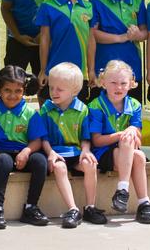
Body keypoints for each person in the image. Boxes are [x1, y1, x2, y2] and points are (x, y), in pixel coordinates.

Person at [0, 65, 49, 229]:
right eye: (7, 90)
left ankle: (31, 207)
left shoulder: (30, 113)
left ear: (24, 90)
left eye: (18, 91)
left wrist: (26, 151)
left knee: (40, 161)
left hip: (23, 153)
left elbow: (37, 141)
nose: (13, 95)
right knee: (4, 160)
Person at [87, 60, 150, 224]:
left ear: (131, 84)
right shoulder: (96, 106)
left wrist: (133, 131)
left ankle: (142, 202)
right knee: (127, 139)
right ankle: (126, 190)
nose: (119, 87)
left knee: (138, 155)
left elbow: (137, 139)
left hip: (128, 153)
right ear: (103, 83)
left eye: (123, 83)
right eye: (113, 83)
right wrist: (122, 134)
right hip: (103, 153)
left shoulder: (135, 105)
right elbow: (96, 141)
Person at [40, 62, 107, 228]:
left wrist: (86, 151)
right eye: (51, 87)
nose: (54, 92)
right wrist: (50, 153)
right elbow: (43, 137)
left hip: (76, 153)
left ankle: (90, 207)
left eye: (59, 89)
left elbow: (85, 137)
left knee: (90, 164)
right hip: (56, 153)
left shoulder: (82, 110)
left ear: (74, 91)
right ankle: (72, 209)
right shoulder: (46, 109)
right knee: (60, 168)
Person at [90, 0, 147, 102]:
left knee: (132, 109)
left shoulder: (137, 0)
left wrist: (138, 35)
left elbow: (145, 32)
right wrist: (120, 37)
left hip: (132, 65)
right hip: (104, 66)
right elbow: (93, 34)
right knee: (102, 110)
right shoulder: (97, 2)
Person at [35, 0, 95, 103]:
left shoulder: (88, 7)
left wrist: (91, 70)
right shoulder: (48, 7)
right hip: (55, 71)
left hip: (80, 73)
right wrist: (43, 69)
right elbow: (44, 40)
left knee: (78, 116)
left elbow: (91, 41)